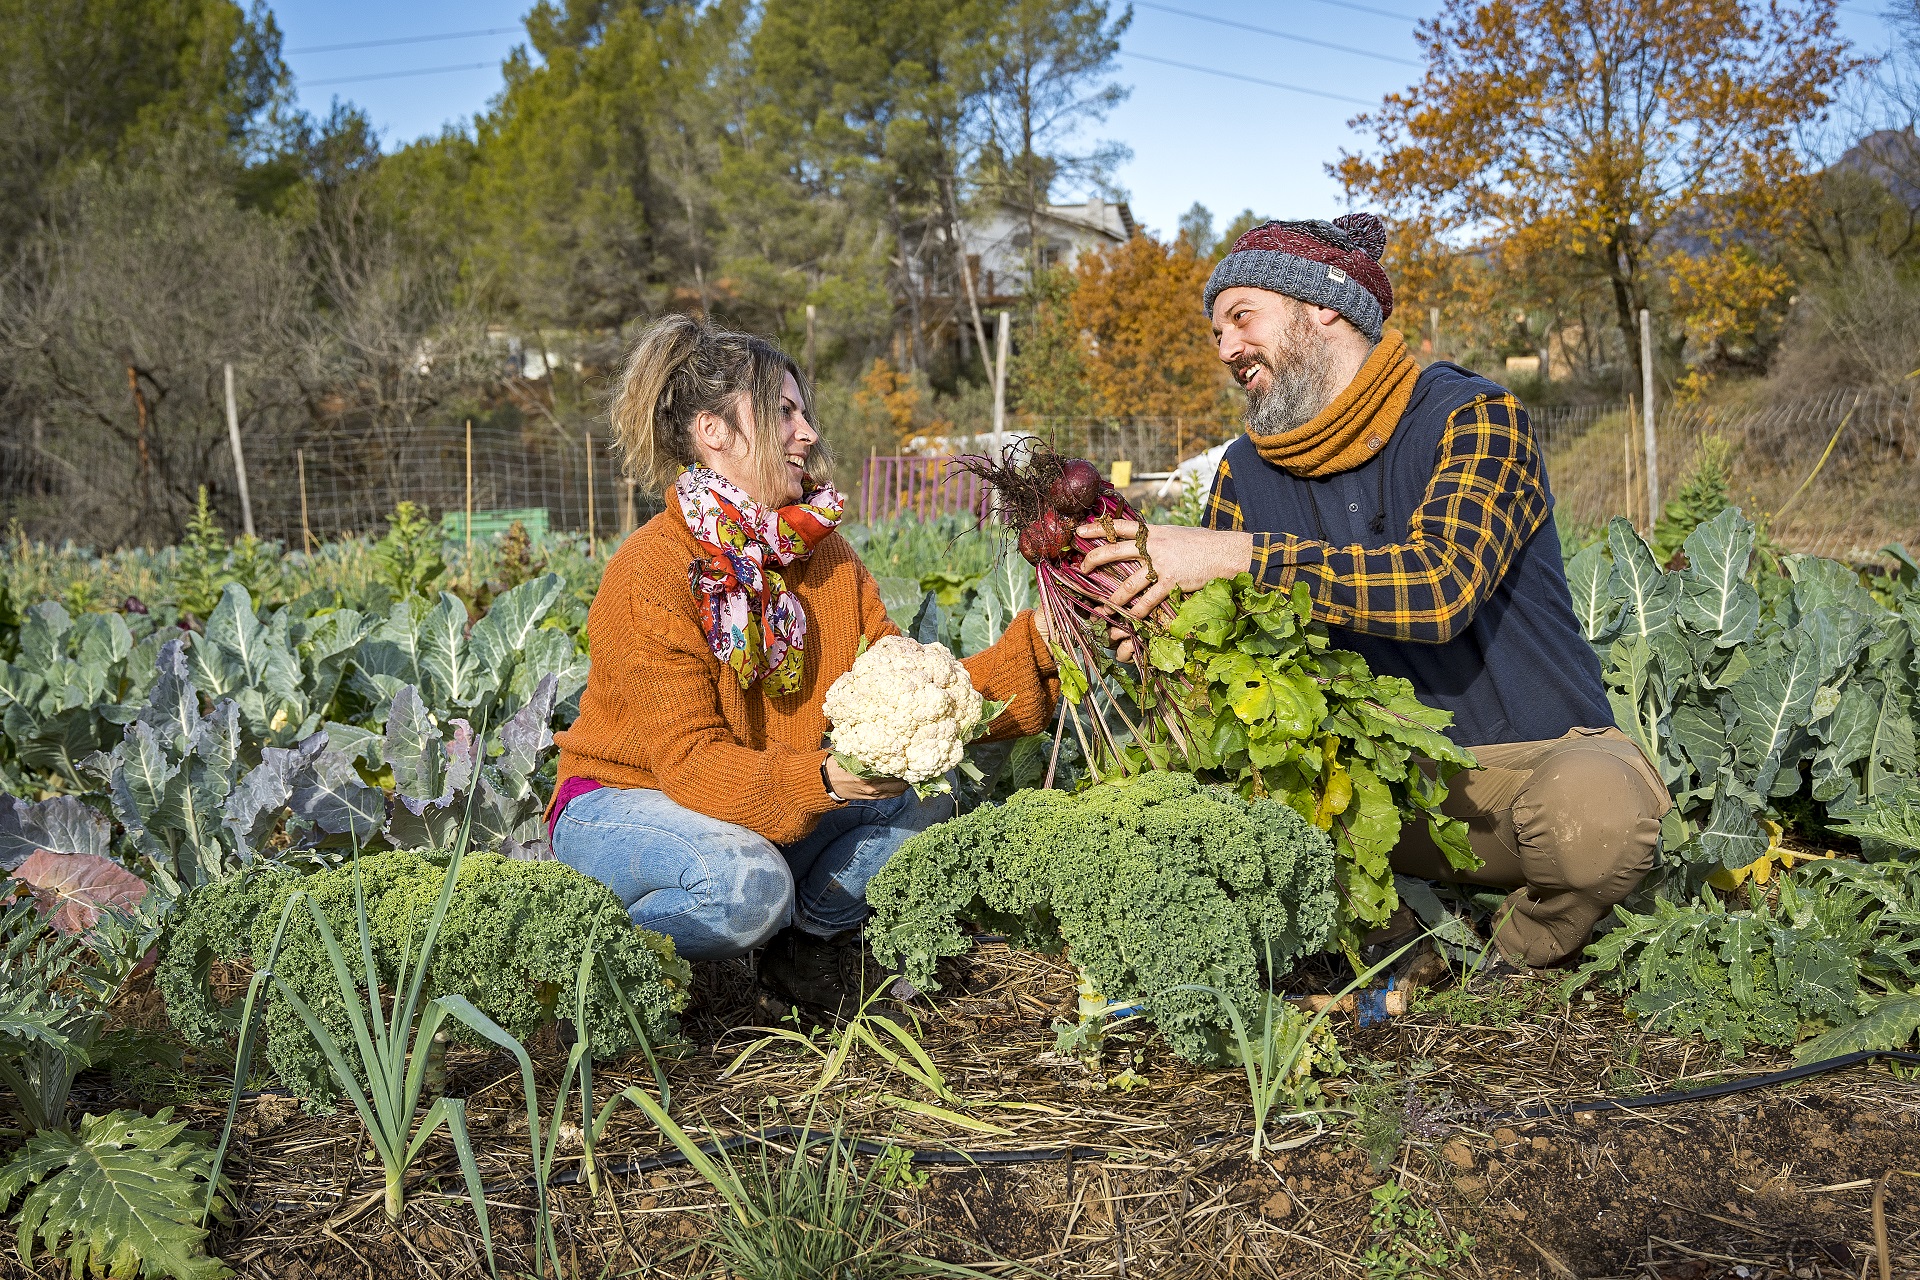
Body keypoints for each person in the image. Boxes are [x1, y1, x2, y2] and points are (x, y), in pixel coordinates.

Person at [1082, 214, 1671, 968]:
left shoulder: (1474, 418)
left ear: (1323, 307)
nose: (1226, 348)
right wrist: (1153, 639)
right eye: (1217, 333)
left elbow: (1440, 588)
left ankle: (1507, 960)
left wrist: (1235, 557)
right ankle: (1401, 938)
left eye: (1241, 317)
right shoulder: (1241, 472)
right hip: (1359, 798)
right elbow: (1222, 663)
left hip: (1522, 779)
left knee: (1598, 815)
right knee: (1193, 791)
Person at [548, 316, 1058, 1006]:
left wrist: (1043, 647)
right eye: (783, 413)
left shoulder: (826, 557)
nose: (808, 432)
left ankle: (801, 948)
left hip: (763, 803)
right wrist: (828, 778)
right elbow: (692, 766)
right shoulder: (653, 569)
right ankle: (581, 959)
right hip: (628, 800)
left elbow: (910, 689)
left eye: (804, 413)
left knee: (927, 802)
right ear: (713, 432)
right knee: (745, 889)